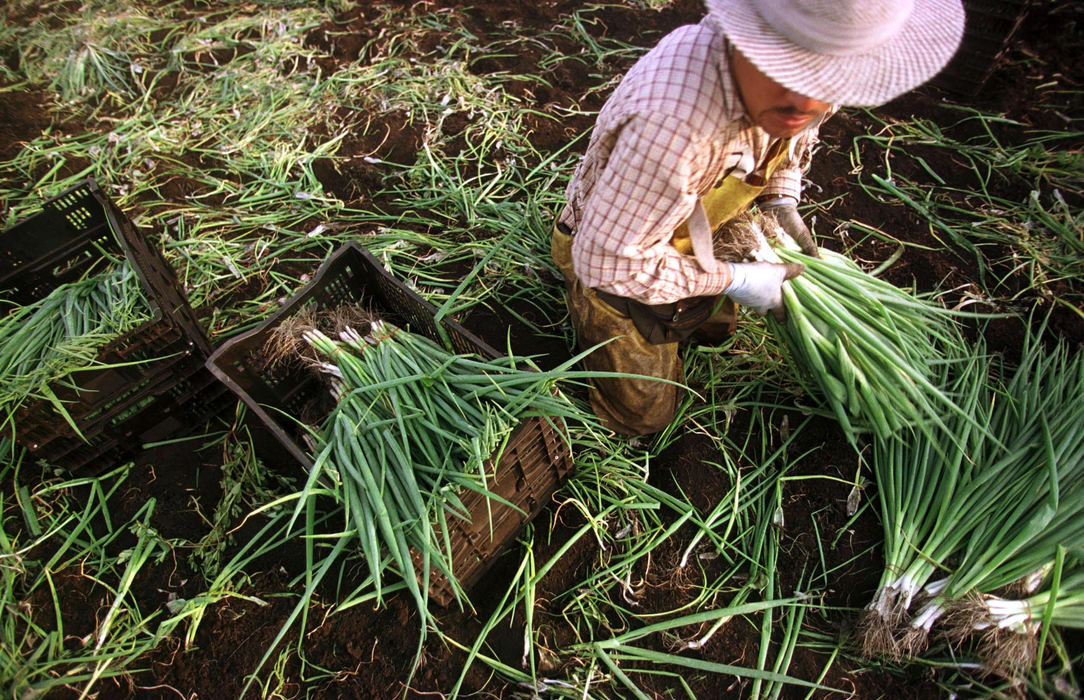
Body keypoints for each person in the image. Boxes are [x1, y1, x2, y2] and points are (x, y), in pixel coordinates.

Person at [551, 0, 965, 435]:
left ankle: (685, 300)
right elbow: (608, 260)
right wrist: (735, 279)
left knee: (713, 331)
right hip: (614, 251)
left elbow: (797, 134)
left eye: (826, 73)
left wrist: (779, 197)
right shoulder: (675, 128)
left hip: (694, 224)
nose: (804, 98)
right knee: (644, 420)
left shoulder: (803, 89)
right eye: (786, 65)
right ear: (743, 34)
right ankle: (589, 315)